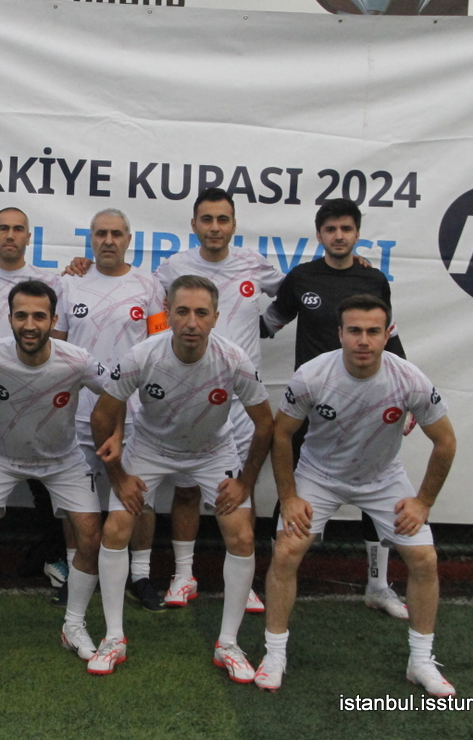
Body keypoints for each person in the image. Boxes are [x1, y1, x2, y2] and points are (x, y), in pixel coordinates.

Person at [256, 294, 456, 697]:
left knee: (424, 559)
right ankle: (274, 655)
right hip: (319, 476)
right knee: (286, 551)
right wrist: (290, 497)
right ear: (340, 334)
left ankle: (420, 661)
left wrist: (423, 502)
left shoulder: (410, 379)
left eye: (373, 331)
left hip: (383, 479)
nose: (363, 340)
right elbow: (281, 434)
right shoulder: (312, 375)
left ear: (386, 335)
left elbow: (446, 442)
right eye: (355, 331)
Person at [89, 275, 274, 681]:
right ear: (168, 315)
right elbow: (102, 415)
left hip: (212, 451)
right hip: (150, 447)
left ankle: (228, 643)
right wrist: (117, 476)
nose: (192, 322)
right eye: (183, 312)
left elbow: (265, 424)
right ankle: (113, 637)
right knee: (116, 528)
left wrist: (245, 482)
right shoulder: (142, 355)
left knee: (242, 536)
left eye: (202, 313)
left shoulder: (234, 359)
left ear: (216, 318)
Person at [262, 198, 410, 619]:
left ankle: (377, 586)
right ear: (319, 234)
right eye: (331, 229)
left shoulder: (373, 279)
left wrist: (409, 394)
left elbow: (388, 338)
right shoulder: (302, 278)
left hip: (368, 406)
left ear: (357, 233)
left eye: (346, 228)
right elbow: (268, 323)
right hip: (312, 407)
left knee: (373, 488)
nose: (339, 236)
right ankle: (277, 576)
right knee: (292, 491)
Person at [0, 280, 107, 669]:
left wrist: (116, 435)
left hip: (63, 460)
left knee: (91, 538)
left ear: (54, 320)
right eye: (21, 315)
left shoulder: (77, 359)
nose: (29, 324)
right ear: (9, 318)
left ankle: (73, 625)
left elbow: (117, 391)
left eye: (39, 316)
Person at [150, 188, 283, 613]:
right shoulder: (174, 266)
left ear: (233, 224)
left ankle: (244, 582)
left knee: (242, 489)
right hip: (190, 396)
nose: (214, 227)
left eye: (222, 219)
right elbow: (147, 304)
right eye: (206, 219)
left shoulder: (254, 263)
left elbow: (294, 292)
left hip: (241, 400)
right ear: (193, 224)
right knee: (187, 488)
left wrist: (268, 325)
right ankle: (183, 575)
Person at [54, 208, 165, 611]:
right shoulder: (70, 282)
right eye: (101, 233)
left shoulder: (149, 284)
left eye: (116, 233)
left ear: (128, 239)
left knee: (140, 496)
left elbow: (159, 347)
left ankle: (141, 575)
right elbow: (57, 348)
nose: (108, 241)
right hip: (78, 413)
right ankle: (75, 571)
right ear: (91, 239)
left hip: (134, 414)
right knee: (73, 499)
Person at [0, 208, 67, 591]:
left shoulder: (50, 281)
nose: (10, 235)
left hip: (36, 396)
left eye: (18, 229)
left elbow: (58, 335)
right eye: (3, 228)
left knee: (44, 481)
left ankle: (54, 556)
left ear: (29, 237)